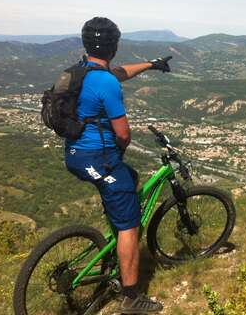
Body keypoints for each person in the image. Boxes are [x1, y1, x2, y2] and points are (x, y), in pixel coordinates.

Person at [64, 17, 171, 313]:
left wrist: (151, 64)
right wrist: (119, 149)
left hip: (74, 155)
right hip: (98, 160)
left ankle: (114, 242)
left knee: (131, 178)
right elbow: (123, 134)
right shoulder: (106, 83)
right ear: (114, 45)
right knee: (130, 224)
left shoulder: (82, 71)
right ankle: (131, 297)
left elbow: (118, 73)